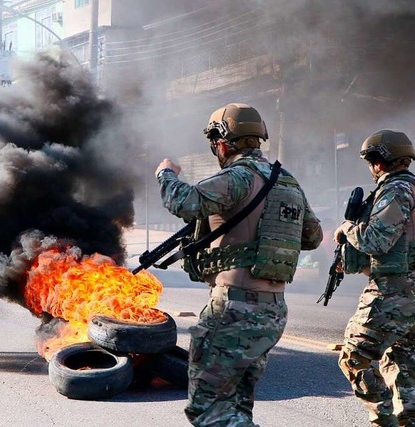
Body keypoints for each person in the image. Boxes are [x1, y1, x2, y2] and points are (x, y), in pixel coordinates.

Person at [155, 103, 323, 426]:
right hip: (272, 312)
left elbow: (183, 202)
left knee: (207, 409)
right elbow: (312, 236)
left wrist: (166, 174)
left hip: (234, 310)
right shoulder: (288, 183)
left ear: (222, 143)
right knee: (237, 407)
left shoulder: (237, 179)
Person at [333, 130, 415, 427]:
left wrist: (347, 229)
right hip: (407, 292)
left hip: (394, 291)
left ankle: (384, 419)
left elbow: (375, 241)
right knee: (404, 365)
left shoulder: (396, 191)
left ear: (379, 161)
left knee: (353, 357)